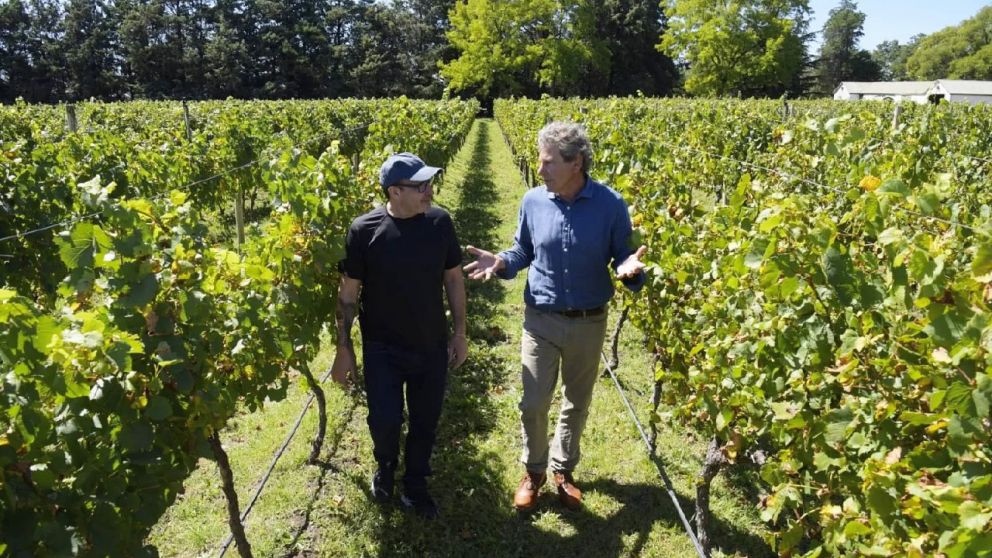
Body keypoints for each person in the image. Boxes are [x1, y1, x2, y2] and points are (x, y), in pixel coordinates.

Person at [463, 122, 646, 512]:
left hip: (588, 320)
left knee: (575, 402)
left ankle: (563, 470)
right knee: (533, 402)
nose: (540, 169)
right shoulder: (533, 201)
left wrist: (632, 270)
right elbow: (521, 252)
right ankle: (534, 471)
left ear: (575, 162)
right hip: (540, 319)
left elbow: (624, 256)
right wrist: (499, 263)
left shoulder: (610, 204)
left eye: (547, 162)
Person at [331, 152, 467, 520]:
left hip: (431, 345)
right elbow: (347, 296)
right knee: (385, 419)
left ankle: (416, 483)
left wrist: (459, 333)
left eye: (429, 183)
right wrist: (344, 350)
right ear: (394, 192)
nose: (429, 191)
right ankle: (386, 464)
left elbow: (453, 279)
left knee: (425, 420)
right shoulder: (364, 230)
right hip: (382, 348)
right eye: (419, 186)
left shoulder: (440, 223)